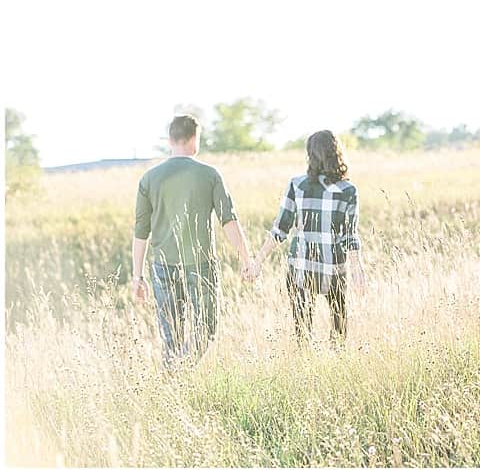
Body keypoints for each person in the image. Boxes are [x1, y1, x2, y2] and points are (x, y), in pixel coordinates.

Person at [132, 114, 260, 366]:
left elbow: (140, 231)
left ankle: (175, 377)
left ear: (170, 140)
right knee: (207, 330)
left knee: (172, 338)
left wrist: (138, 276)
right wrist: (246, 260)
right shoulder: (210, 174)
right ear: (195, 140)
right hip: (200, 264)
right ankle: (184, 370)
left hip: (162, 265)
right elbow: (229, 221)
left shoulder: (149, 178)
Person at [255, 130, 366, 346]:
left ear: (311, 155)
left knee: (303, 334)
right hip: (334, 268)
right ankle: (337, 371)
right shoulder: (348, 190)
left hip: (300, 267)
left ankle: (307, 371)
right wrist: (358, 269)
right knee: (339, 331)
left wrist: (258, 261)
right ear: (337, 153)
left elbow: (280, 229)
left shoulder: (297, 185)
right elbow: (349, 235)